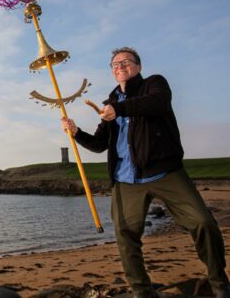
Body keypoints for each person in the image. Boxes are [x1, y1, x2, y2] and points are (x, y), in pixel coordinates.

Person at [61, 47, 229, 298]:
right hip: (125, 179)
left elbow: (157, 103)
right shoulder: (110, 103)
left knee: (203, 223)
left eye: (126, 61)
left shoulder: (154, 85)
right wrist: (76, 132)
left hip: (165, 172)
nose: (119, 66)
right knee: (126, 236)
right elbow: (99, 145)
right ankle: (142, 291)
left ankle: (219, 284)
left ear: (138, 67)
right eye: (114, 64)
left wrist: (120, 109)